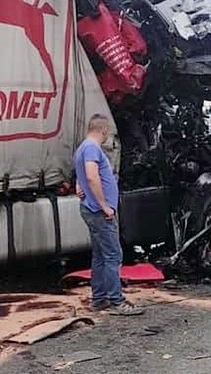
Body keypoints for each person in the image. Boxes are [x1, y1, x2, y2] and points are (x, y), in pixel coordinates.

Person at [74, 114, 143, 316]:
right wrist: (104, 205)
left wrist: (81, 187)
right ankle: (116, 300)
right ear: (103, 130)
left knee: (100, 256)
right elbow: (91, 176)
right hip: (98, 211)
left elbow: (82, 177)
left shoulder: (82, 148)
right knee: (113, 255)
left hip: (91, 208)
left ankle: (99, 299)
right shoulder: (92, 148)